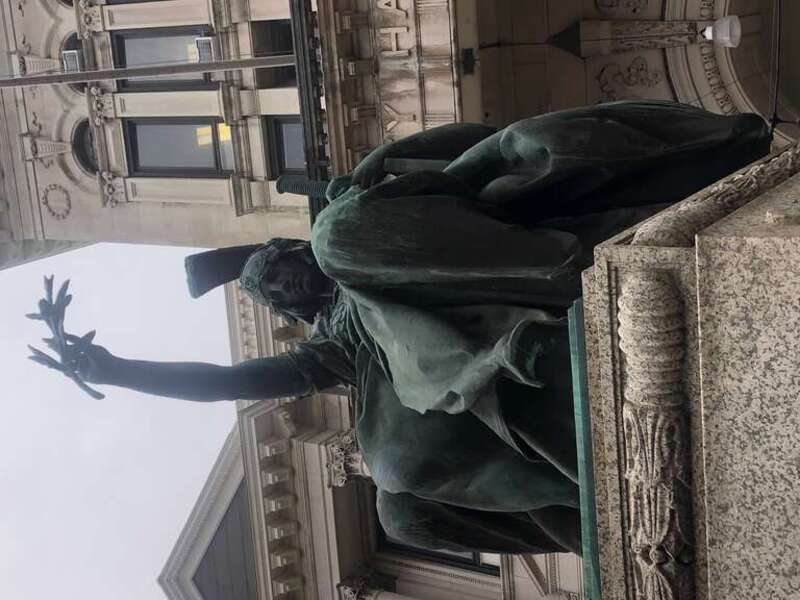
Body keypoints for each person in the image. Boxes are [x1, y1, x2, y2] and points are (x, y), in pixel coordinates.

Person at [50, 101, 772, 555]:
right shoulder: (330, 350)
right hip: (422, 372)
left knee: (347, 236)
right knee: (398, 501)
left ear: (295, 255)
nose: (282, 276)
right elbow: (224, 383)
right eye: (275, 287)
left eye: (280, 261)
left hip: (469, 251)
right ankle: (598, 517)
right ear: (287, 313)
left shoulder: (345, 240)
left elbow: (443, 169)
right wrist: (117, 370)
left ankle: (564, 275)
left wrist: (352, 206)